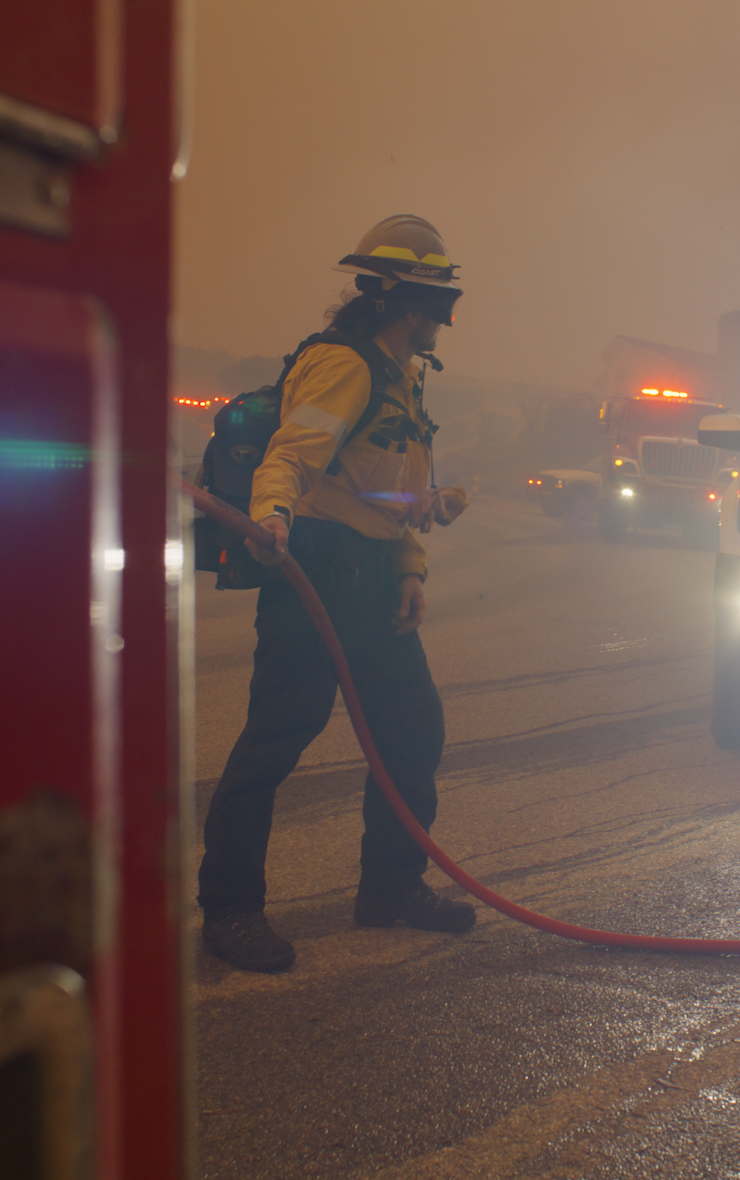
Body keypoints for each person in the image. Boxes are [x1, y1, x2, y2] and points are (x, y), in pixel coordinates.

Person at [199, 215, 476, 973]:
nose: (443, 318)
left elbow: (399, 488)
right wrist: (272, 517)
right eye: (438, 303)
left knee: (412, 735)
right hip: (315, 575)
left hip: (377, 581)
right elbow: (291, 455)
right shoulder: (345, 367)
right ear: (406, 304)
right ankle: (228, 911)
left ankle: (389, 888)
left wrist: (410, 567)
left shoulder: (401, 376)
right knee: (275, 743)